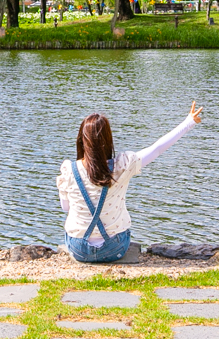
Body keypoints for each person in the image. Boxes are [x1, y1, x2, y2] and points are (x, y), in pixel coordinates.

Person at [56, 102, 203, 263]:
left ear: (82, 140)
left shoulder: (69, 170)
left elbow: (66, 207)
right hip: (115, 248)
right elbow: (157, 149)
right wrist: (188, 122)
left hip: (79, 249)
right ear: (108, 139)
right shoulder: (123, 165)